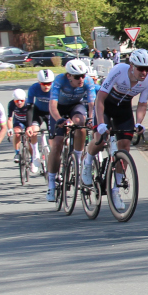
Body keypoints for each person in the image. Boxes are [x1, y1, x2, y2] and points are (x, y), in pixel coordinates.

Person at [81, 49, 148, 210]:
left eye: (147, 68)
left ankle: (116, 191)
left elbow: (142, 104)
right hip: (106, 107)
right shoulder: (119, 70)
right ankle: (87, 163)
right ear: (132, 66)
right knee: (99, 141)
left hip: (124, 110)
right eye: (141, 68)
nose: (144, 72)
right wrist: (100, 124)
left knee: (125, 147)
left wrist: (139, 123)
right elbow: (100, 98)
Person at [47, 59, 96, 201]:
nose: (81, 79)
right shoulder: (59, 81)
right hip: (59, 110)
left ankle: (77, 159)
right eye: (77, 77)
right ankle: (51, 183)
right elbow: (52, 106)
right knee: (57, 144)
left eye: (83, 75)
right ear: (69, 76)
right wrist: (59, 120)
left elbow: (92, 103)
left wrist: (91, 119)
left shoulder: (87, 81)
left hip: (76, 106)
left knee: (80, 123)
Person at [26, 69, 56, 174]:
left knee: (53, 136)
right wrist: (28, 126)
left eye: (49, 83)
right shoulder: (33, 88)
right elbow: (29, 107)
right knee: (33, 131)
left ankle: (53, 155)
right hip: (38, 112)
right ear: (39, 82)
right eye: (44, 84)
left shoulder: (56, 89)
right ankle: (35, 155)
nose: (46, 86)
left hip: (51, 112)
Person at [7, 88, 35, 172]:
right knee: (17, 133)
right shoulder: (11, 104)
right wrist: (9, 129)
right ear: (14, 100)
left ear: (24, 99)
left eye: (21, 100)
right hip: (18, 121)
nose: (19, 103)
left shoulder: (28, 103)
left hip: (29, 121)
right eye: (16, 101)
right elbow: (9, 118)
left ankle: (33, 159)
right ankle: (17, 153)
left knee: (30, 140)